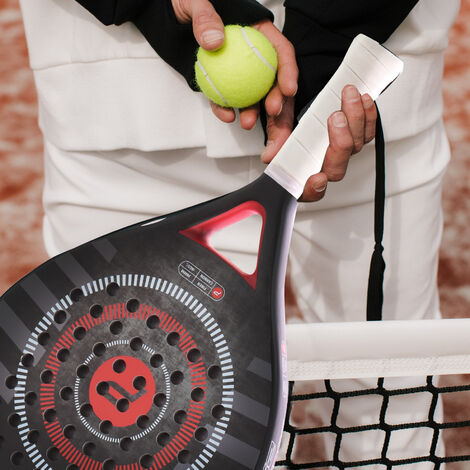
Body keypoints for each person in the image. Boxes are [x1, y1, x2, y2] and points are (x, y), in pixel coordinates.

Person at [18, 0, 460, 465]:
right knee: (123, 424)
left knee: (388, 417)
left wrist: (321, 60)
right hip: (115, 128)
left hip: (356, 103)